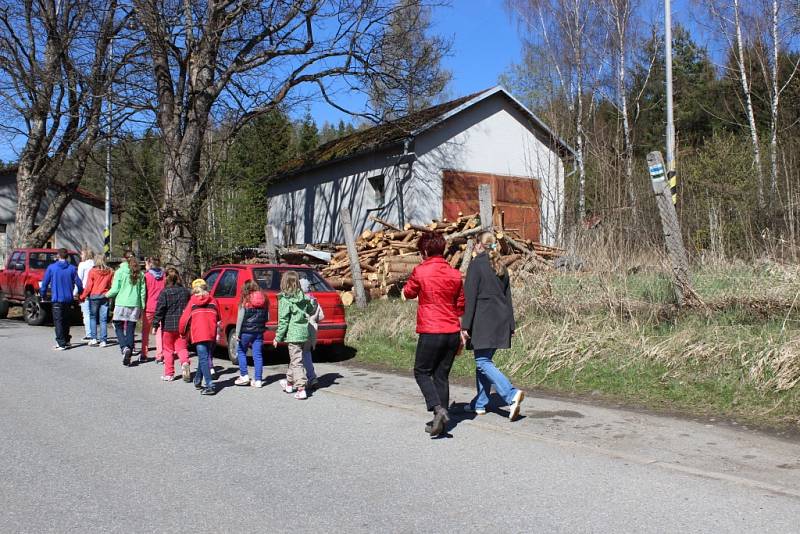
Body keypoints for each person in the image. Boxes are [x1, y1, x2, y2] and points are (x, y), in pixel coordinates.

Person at [403, 232, 465, 437]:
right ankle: (441, 423)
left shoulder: (421, 271)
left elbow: (409, 292)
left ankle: (438, 409)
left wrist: (406, 290)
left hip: (431, 330)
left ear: (426, 251)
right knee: (441, 376)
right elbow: (460, 305)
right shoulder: (455, 274)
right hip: (451, 331)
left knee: (421, 371)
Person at [461, 231, 525, 421]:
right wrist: (511, 325)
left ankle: (511, 394)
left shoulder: (476, 265)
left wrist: (465, 325)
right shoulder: (501, 266)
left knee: (482, 362)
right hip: (501, 320)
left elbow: (470, 298)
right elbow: (508, 298)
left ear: (479, 245)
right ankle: (480, 404)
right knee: (483, 363)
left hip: (484, 321)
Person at [273, 270, 313, 400]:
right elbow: (311, 310)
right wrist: (311, 302)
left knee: (296, 362)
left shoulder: (285, 299)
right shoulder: (302, 296)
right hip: (303, 332)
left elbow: (283, 320)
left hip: (293, 334)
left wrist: (277, 337)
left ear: (284, 283)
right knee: (294, 360)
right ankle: (289, 383)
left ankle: (301, 388)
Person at [179, 279, 220, 395]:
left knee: (203, 358)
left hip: (198, 333)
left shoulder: (192, 302)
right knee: (204, 357)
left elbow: (184, 319)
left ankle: (209, 385)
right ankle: (197, 380)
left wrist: (182, 332)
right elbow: (218, 317)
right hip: (210, 332)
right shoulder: (213, 301)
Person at [152, 268, 191, 382]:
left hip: (168, 325)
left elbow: (160, 310)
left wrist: (155, 324)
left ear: (166, 278)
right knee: (182, 348)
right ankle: (184, 362)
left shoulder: (165, 292)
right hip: (182, 325)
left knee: (168, 350)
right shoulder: (185, 291)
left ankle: (169, 374)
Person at [106, 256, 146, 366]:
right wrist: (142, 305)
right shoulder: (140, 274)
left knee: (117, 325)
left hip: (121, 303)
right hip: (135, 304)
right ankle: (129, 348)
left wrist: (106, 295)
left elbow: (115, 289)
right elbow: (143, 292)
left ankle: (124, 347)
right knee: (130, 328)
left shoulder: (119, 272)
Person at [40, 248, 83, 350]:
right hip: (68, 298)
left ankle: (61, 342)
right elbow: (79, 283)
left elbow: (45, 283)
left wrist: (43, 294)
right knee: (66, 320)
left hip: (57, 299)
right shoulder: (72, 268)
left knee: (58, 321)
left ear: (58, 256)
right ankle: (67, 340)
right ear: (67, 256)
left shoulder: (52, 268)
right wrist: (79, 293)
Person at [233, 280, 269, 388]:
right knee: (257, 355)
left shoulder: (245, 300)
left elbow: (240, 319)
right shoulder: (264, 299)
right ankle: (258, 380)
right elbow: (268, 317)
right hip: (258, 332)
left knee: (241, 351)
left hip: (245, 332)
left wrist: (237, 333)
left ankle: (244, 375)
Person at [79, 254, 114, 347]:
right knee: (103, 319)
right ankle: (103, 340)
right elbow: (111, 285)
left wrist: (82, 296)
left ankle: (94, 338)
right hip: (105, 296)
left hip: (94, 296)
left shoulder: (93, 271)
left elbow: (88, 286)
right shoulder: (110, 271)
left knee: (93, 317)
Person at [299, 277, 324, 390]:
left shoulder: (299, 300)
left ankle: (297, 379)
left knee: (296, 355)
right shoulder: (314, 300)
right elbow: (321, 316)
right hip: (312, 330)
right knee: (307, 353)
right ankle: (312, 377)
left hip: (300, 329)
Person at [142, 257, 166, 363]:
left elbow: (144, 292)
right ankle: (159, 355)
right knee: (159, 332)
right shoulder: (164, 276)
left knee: (145, 331)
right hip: (160, 307)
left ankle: (144, 353)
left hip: (149, 306)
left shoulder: (146, 276)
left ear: (149, 265)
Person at [76, 248, 95, 340]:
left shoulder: (82, 265)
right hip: (95, 291)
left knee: (86, 313)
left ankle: (89, 333)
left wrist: (75, 292)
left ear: (86, 255)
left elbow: (79, 279)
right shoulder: (95, 264)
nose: (81, 256)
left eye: (82, 254)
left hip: (85, 290)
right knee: (93, 314)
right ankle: (94, 333)